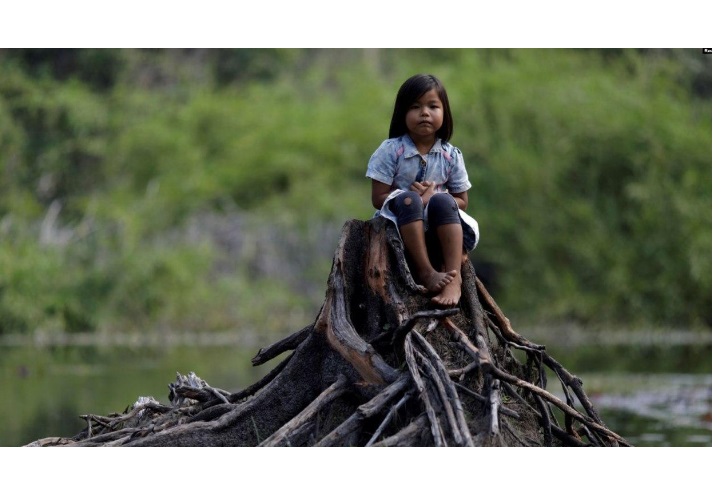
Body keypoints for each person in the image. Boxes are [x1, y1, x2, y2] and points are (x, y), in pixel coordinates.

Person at [366, 73, 479, 307]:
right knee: (409, 200)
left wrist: (433, 197)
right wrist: (413, 198)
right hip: (400, 218)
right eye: (415, 107)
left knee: (443, 201)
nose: (424, 112)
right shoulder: (391, 151)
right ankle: (426, 271)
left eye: (432, 106)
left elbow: (462, 201)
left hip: (440, 217)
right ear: (402, 113)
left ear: (444, 113)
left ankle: (453, 278)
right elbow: (378, 199)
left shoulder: (451, 155)